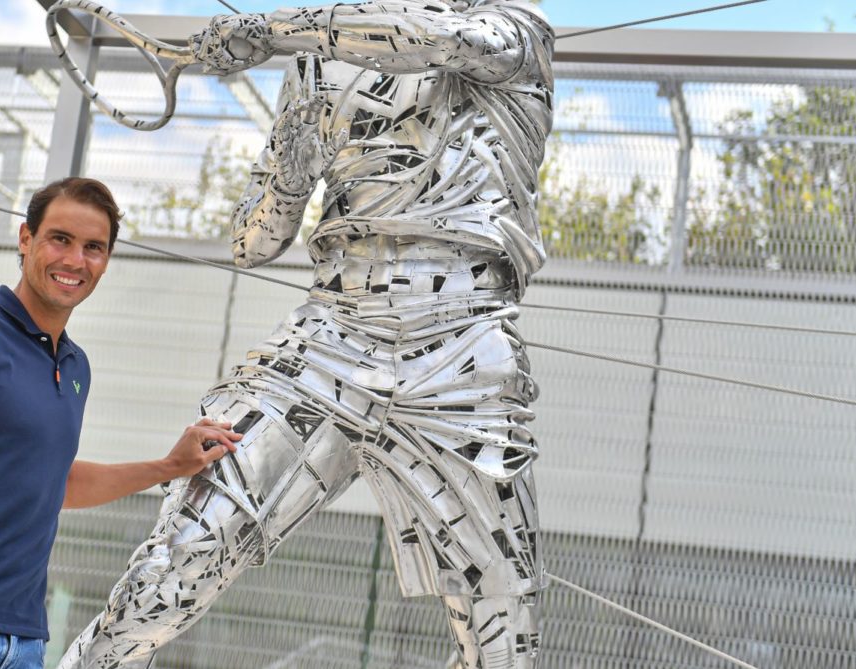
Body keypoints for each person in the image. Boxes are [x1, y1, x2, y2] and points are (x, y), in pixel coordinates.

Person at [60, 1, 554, 668]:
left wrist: (268, 31)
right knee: (179, 560)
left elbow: (426, 37)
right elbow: (251, 241)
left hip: (462, 355)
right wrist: (296, 163)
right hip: (330, 338)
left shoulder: (513, 31)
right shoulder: (316, 63)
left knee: (503, 633)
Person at [0, 177, 242, 669]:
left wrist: (168, 466)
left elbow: (57, 482)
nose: (75, 261)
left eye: (93, 247)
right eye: (60, 239)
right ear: (25, 238)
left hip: (22, 644)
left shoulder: (75, 366)